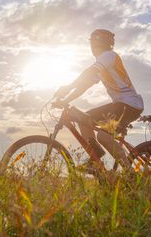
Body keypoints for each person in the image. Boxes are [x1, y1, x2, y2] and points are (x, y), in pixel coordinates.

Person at [52, 29, 144, 170]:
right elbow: (84, 85)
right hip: (120, 105)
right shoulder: (102, 64)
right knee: (83, 119)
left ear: (101, 44)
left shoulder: (109, 56)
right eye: (92, 45)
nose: (92, 48)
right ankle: (96, 157)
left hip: (130, 105)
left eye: (94, 44)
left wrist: (68, 87)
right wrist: (66, 99)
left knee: (103, 136)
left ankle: (129, 173)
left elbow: (89, 72)